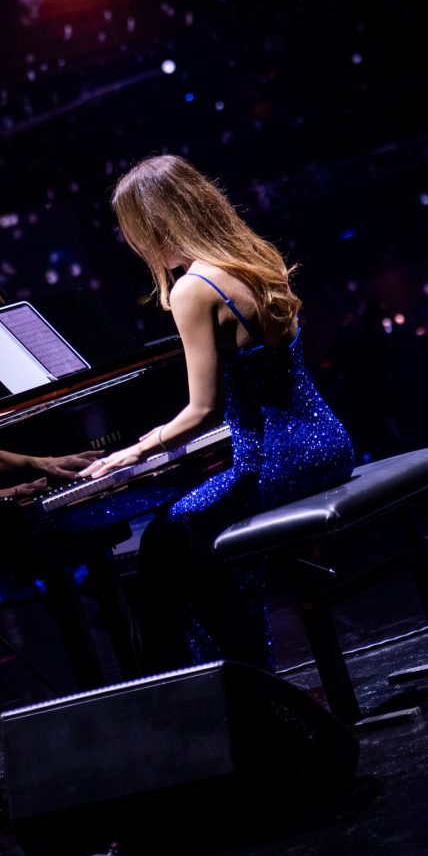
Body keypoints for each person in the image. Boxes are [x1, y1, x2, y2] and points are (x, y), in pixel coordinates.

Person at [77, 154, 355, 672]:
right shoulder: (254, 259)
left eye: (133, 231)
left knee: (168, 537)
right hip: (328, 443)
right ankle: (244, 671)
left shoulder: (193, 289)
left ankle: (233, 683)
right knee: (200, 536)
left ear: (156, 225)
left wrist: (135, 451)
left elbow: (201, 411)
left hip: (273, 461)